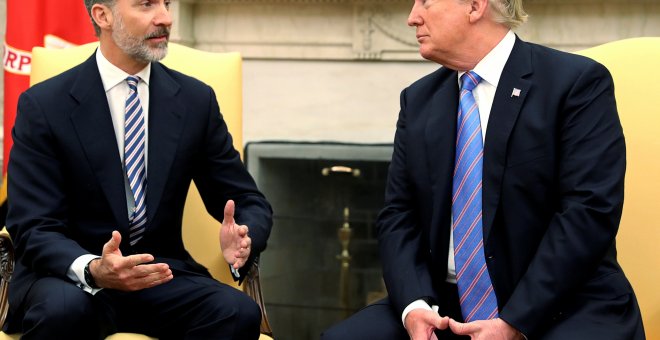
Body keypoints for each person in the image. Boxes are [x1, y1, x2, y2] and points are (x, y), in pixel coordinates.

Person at [322, 0, 645, 339]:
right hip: (442, 308)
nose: (412, 17)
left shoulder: (575, 84)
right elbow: (398, 215)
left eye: (426, 2)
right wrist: (414, 306)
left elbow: (588, 213)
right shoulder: (418, 101)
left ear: (475, 6)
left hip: (560, 304)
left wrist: (514, 322)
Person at [4, 0, 272, 339]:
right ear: (102, 15)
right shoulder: (44, 105)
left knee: (238, 312)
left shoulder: (194, 100)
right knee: (63, 311)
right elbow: (32, 225)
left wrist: (244, 238)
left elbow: (245, 198)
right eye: (146, 5)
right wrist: (94, 268)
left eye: (166, 4)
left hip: (158, 274)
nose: (165, 18)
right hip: (67, 277)